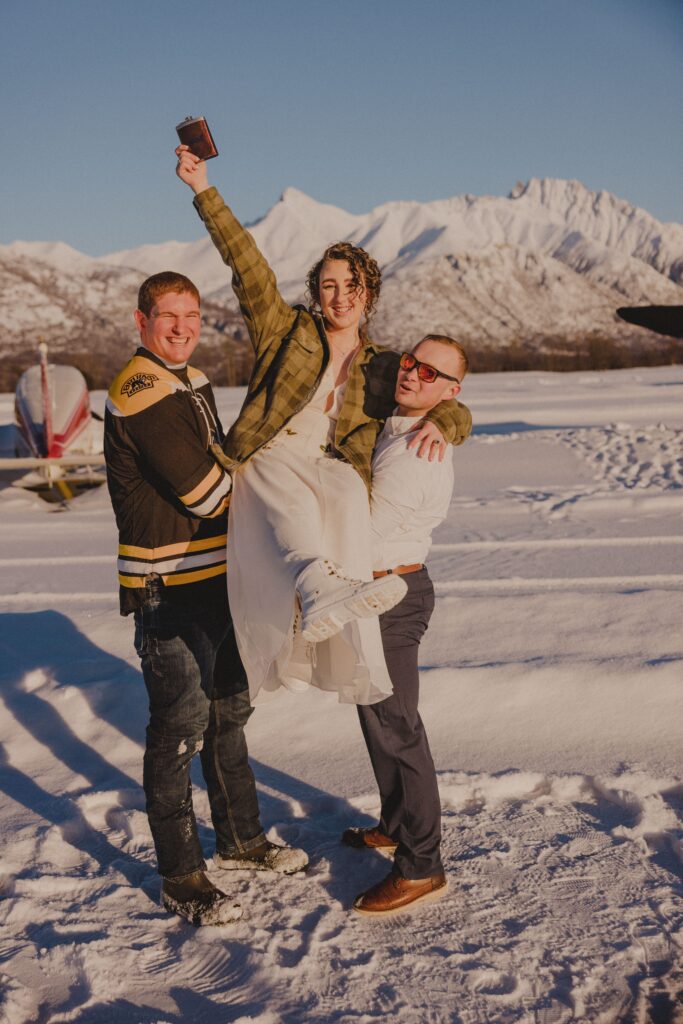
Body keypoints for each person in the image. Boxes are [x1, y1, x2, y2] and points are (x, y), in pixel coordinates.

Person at [175, 147, 473, 708]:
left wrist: (452, 420)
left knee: (344, 493)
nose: (340, 295)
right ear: (317, 291)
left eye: (352, 285)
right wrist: (203, 190)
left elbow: (439, 390)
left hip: (329, 465)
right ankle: (314, 587)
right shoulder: (285, 330)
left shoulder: (386, 365)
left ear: (369, 295)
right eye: (330, 284)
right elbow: (247, 263)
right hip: (271, 451)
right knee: (284, 486)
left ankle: (338, 617)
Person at [104, 271, 307, 928]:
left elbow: (224, 472)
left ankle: (242, 842)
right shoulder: (140, 392)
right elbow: (211, 493)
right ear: (141, 323)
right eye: (168, 316)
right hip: (169, 592)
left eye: (191, 315)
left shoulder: (187, 383)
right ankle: (180, 876)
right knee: (179, 732)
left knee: (229, 716)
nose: (182, 327)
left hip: (216, 581)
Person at [343, 335, 468, 915]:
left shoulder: (419, 451)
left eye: (430, 372)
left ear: (450, 391)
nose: (412, 373)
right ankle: (397, 823)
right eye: (411, 362)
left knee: (398, 727)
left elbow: (361, 533)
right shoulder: (400, 425)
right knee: (377, 718)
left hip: (392, 593)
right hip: (379, 591)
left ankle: (422, 865)